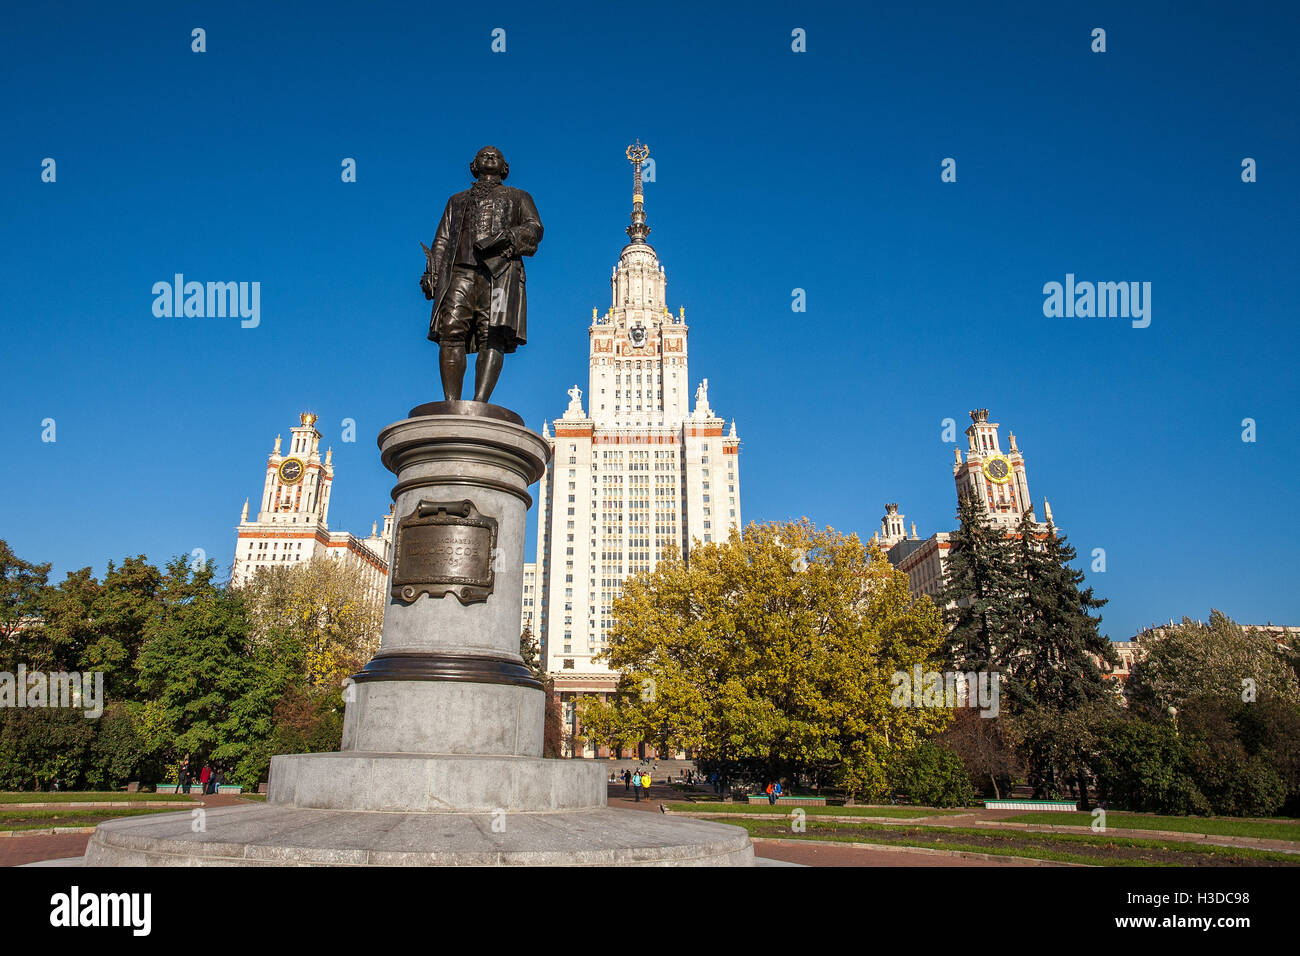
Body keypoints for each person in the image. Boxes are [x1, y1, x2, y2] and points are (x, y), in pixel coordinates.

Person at [420, 145, 544, 403]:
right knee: (450, 330)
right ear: (474, 164)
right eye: (483, 155)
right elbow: (442, 239)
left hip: (499, 276)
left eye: (496, 155)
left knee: (492, 334)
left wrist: (508, 237)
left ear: (505, 167)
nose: (490, 156)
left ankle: (480, 403)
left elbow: (534, 228)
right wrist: (432, 272)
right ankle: (451, 402)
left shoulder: (518, 196)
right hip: (459, 274)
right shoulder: (456, 200)